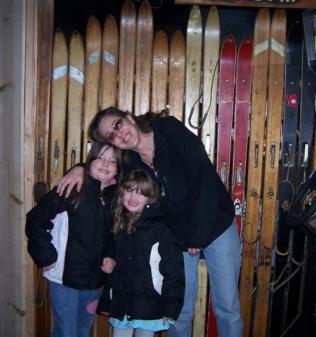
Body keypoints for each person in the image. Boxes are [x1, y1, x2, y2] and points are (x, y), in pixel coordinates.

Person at [57, 107, 243, 337]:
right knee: (181, 309)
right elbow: (109, 179)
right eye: (111, 136)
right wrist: (80, 170)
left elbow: (203, 178)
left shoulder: (169, 129)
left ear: (127, 117)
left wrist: (198, 235)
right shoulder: (130, 161)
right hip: (177, 236)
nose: (120, 135)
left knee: (227, 306)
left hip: (215, 224)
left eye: (117, 125)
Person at [26, 142, 122, 337]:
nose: (106, 164)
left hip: (94, 281)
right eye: (100, 158)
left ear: (118, 168)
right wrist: (46, 256)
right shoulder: (72, 187)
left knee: (82, 329)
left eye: (112, 161)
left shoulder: (115, 197)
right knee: (66, 331)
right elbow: (35, 219)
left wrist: (111, 256)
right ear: (89, 161)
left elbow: (114, 234)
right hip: (64, 278)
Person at [98, 169, 185, 337]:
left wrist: (171, 307)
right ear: (122, 192)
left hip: (149, 304)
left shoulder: (161, 229)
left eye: (140, 193)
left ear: (150, 197)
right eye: (129, 190)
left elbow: (174, 271)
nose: (133, 197)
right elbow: (115, 269)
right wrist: (107, 301)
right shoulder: (119, 224)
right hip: (121, 304)